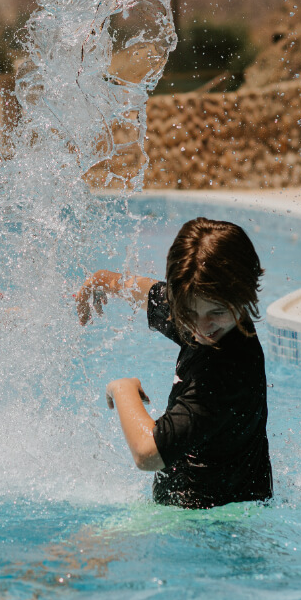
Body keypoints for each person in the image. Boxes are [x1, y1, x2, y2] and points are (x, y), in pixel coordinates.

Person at [75, 217, 273, 509]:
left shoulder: (223, 376)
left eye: (214, 313)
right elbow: (150, 291)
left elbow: (147, 454)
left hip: (215, 517)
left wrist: (124, 389)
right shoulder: (208, 311)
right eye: (188, 312)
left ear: (246, 290)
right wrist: (103, 279)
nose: (201, 327)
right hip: (203, 507)